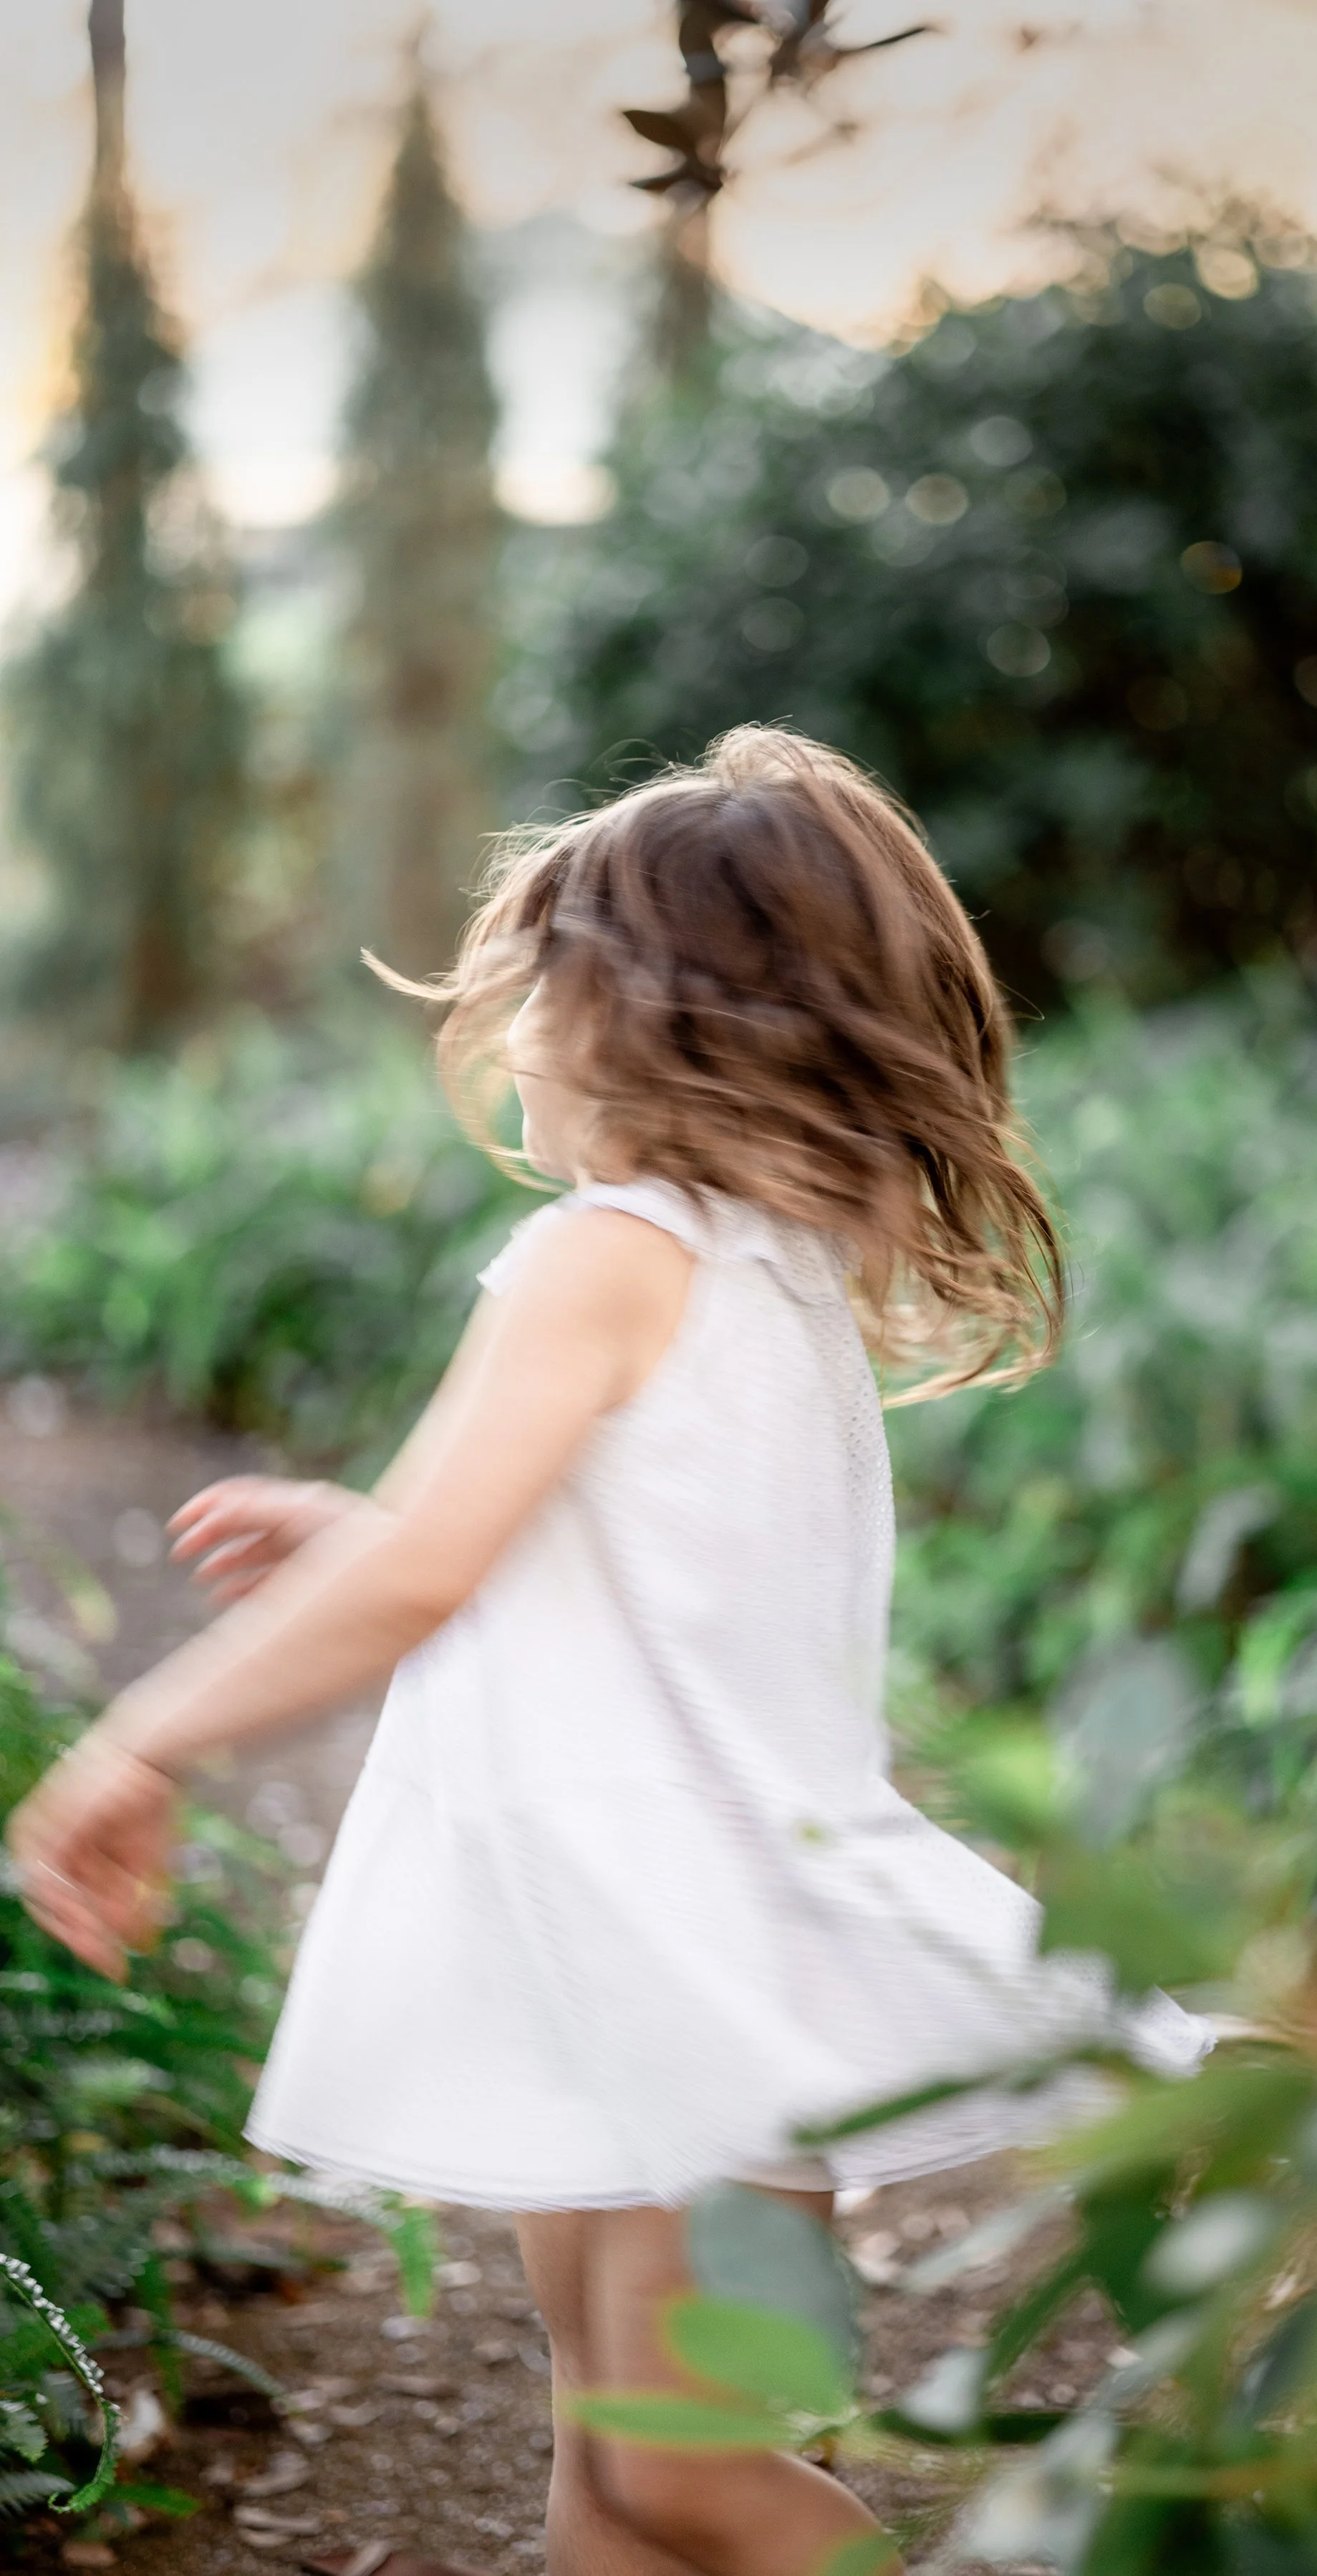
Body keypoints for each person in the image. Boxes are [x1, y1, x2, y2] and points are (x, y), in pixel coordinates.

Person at [7, 728, 1207, 2576]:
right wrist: (370, 1537)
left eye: (539, 993)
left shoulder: (612, 1250)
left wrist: (141, 1742)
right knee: (608, 2474)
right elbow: (613, 1557)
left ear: (649, 1018)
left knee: (678, 2473)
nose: (514, 1041)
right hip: (642, 1952)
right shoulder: (764, 1264)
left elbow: (427, 1575)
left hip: (685, 1958)